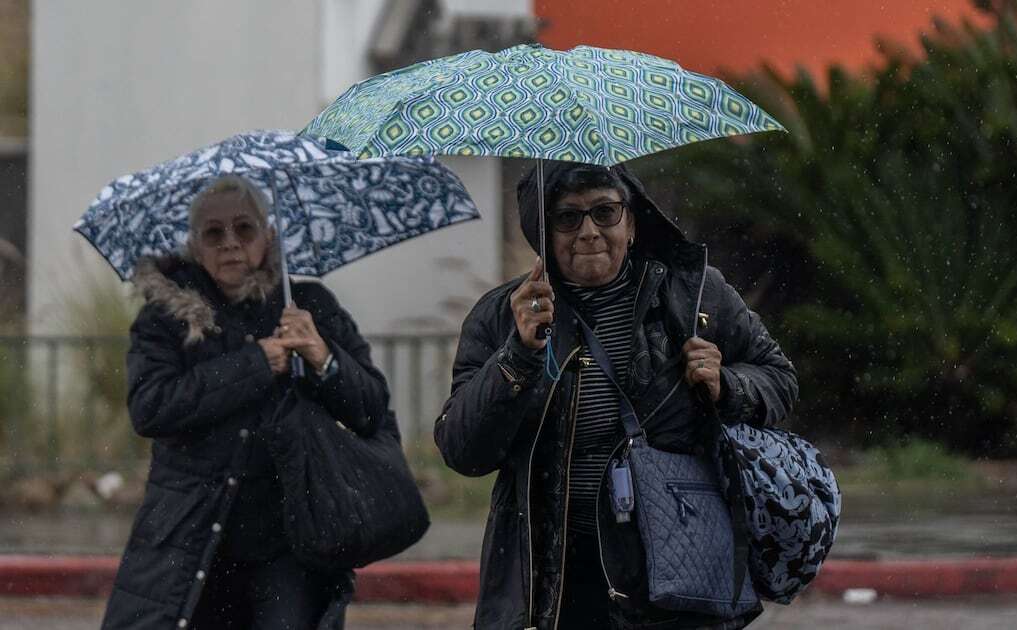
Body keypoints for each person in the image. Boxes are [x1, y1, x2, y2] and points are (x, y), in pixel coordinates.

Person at [435, 162, 799, 629]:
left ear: (630, 222)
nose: (588, 232)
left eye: (604, 212)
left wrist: (727, 383)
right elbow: (462, 450)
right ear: (543, 233)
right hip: (552, 579)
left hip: (671, 564)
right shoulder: (502, 317)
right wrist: (517, 355)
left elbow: (779, 378)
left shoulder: (693, 297)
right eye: (568, 218)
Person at [101, 175, 391, 630]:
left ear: (269, 236)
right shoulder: (164, 319)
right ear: (195, 246)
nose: (231, 243)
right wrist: (257, 362)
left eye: (244, 228)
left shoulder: (307, 304)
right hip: (188, 530)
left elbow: (370, 408)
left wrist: (323, 358)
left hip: (289, 537)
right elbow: (151, 406)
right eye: (214, 233)